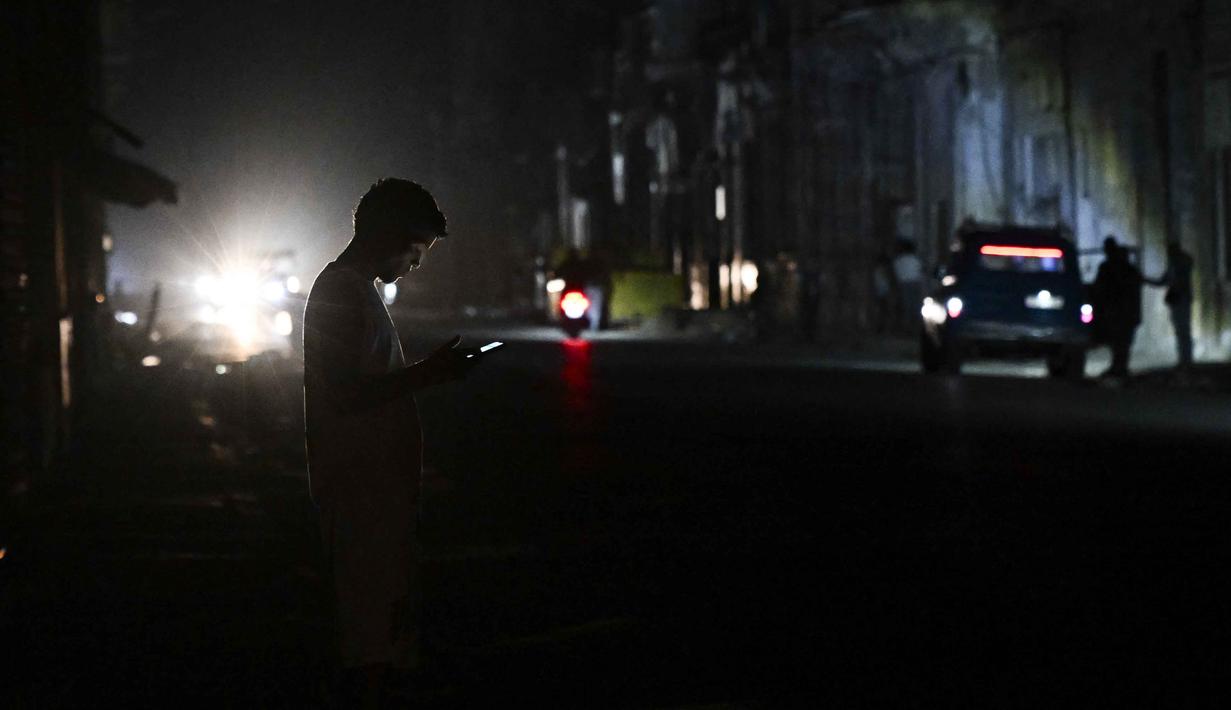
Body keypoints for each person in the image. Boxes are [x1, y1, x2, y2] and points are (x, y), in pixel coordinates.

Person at [303, 178, 477, 708]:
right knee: (367, 637)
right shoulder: (339, 291)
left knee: (383, 628)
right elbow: (347, 394)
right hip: (358, 490)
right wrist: (430, 374)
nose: (417, 263)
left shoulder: (360, 292)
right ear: (386, 235)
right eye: (416, 248)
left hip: (377, 488)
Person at [1091, 236, 1143, 379]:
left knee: (1119, 342)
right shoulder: (1128, 270)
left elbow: (1100, 289)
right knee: (1122, 342)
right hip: (1124, 313)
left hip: (1117, 312)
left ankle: (1119, 368)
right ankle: (1119, 367)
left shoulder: (1109, 268)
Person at [1146, 240, 1194, 372]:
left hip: (1180, 299)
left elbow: (1165, 281)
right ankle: (1185, 360)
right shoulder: (1178, 265)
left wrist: (1145, 280)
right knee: (1182, 331)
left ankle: (1186, 360)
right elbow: (1164, 281)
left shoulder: (1179, 265)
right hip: (1179, 300)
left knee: (1182, 330)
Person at [892, 239, 923, 333]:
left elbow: (896, 273)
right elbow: (919, 271)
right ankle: (913, 328)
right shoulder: (915, 260)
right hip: (913, 283)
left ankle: (907, 328)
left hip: (904, 284)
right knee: (914, 306)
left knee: (906, 306)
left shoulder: (898, 260)